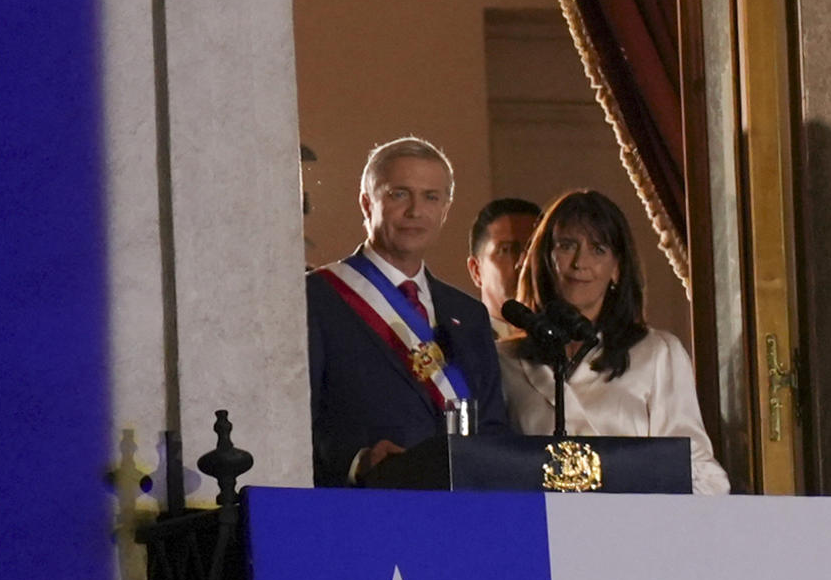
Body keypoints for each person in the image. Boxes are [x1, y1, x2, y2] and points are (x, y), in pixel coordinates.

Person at [498, 190, 730, 495]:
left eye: (597, 249)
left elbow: (700, 473)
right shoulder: (505, 359)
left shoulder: (657, 352)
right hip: (539, 530)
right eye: (567, 246)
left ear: (617, 267)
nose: (580, 263)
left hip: (632, 528)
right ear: (546, 258)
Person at [306, 137, 508, 486]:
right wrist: (356, 461)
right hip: (365, 507)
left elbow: (492, 426)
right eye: (399, 194)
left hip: (459, 509)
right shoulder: (317, 297)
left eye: (431, 197)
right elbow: (293, 419)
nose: (415, 211)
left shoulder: (469, 314)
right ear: (367, 203)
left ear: (445, 208)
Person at [466, 196, 541, 337]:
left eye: (534, 249)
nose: (524, 262)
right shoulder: (455, 345)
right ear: (476, 270)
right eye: (506, 250)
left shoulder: (569, 342)